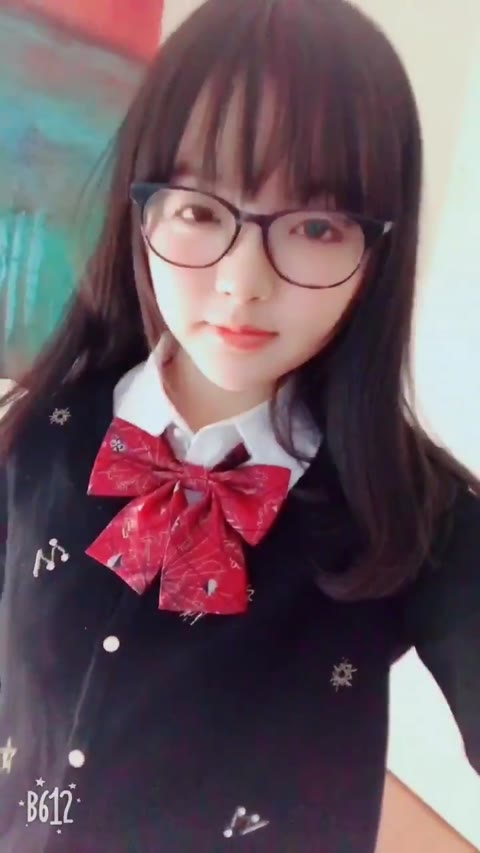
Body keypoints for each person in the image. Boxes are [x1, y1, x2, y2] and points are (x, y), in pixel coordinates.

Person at [0, 0, 479, 849]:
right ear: (142, 208)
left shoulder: (422, 515)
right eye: (198, 209)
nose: (243, 281)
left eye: (318, 225)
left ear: (380, 248)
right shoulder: (40, 428)